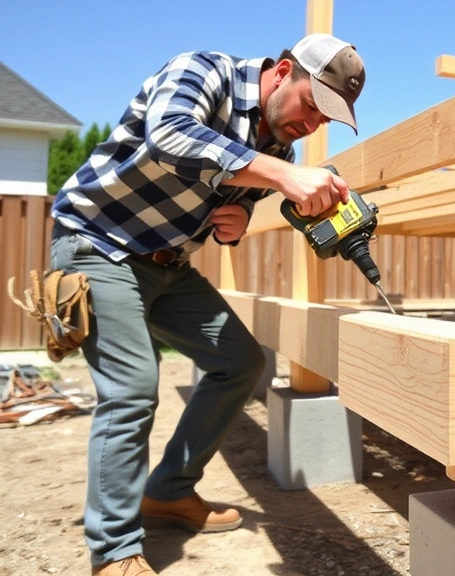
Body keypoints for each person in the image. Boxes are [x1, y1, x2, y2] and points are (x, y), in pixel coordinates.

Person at [48, 33, 366, 576]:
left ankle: (168, 491)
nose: (312, 126)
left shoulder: (278, 148)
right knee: (132, 389)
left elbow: (231, 204)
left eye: (326, 121)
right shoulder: (205, 72)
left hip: (169, 266)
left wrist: (238, 221)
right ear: (283, 71)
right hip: (99, 244)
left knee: (241, 364)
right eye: (312, 105)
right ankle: (115, 550)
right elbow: (170, 135)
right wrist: (284, 177)